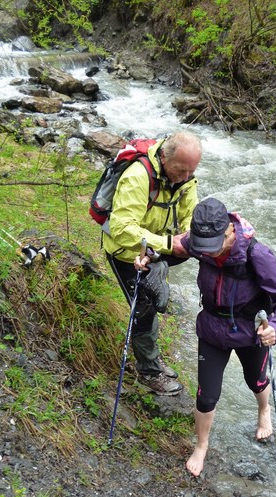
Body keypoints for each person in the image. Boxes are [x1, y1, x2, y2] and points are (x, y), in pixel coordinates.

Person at [135, 197, 276, 476]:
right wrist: (149, 258)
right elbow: (176, 250)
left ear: (230, 232)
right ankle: (201, 446)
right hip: (212, 328)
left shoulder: (256, 255)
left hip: (250, 332)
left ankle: (264, 411)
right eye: (203, 248)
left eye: (214, 247)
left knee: (257, 381)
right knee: (206, 395)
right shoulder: (200, 241)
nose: (208, 254)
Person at [103, 131, 202, 396]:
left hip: (156, 248)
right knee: (144, 311)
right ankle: (149, 372)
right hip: (126, 253)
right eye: (181, 170)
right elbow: (121, 229)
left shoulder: (185, 176)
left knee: (152, 304)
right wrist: (170, 245)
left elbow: (190, 216)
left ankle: (152, 361)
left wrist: (197, 238)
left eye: (191, 171)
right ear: (163, 157)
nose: (185, 177)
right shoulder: (138, 176)